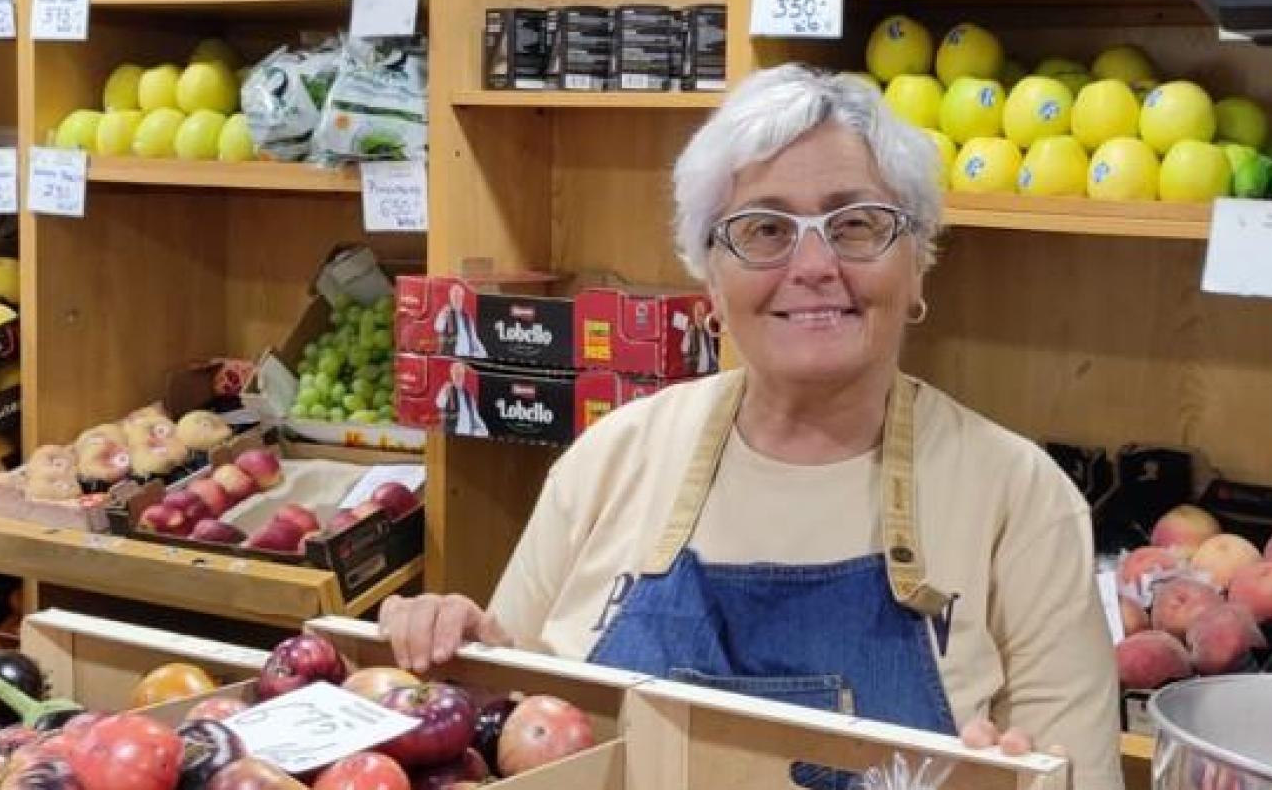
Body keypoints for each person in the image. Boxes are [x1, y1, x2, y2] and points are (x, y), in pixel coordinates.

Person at [380, 65, 1123, 790]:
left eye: (855, 225)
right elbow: (511, 730)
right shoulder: (613, 458)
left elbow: (1077, 776)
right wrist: (456, 655)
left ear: (918, 265)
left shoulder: (1020, 500)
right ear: (711, 277)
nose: (813, 264)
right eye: (764, 229)